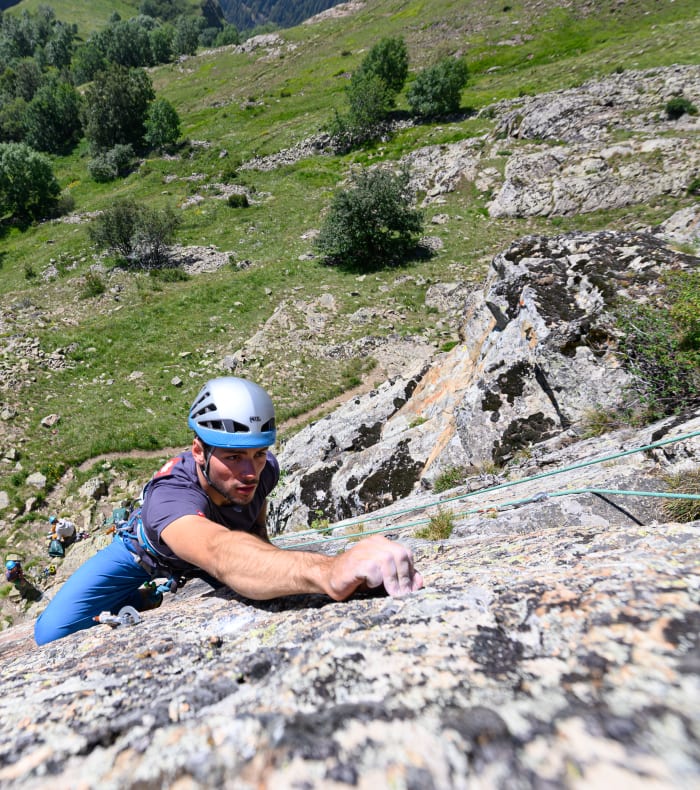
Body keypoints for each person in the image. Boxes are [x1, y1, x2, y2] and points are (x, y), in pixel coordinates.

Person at [35, 377, 423, 646]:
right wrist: (328, 571)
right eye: (234, 457)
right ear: (199, 451)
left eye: (258, 453)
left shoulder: (263, 470)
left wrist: (263, 548)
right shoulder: (170, 497)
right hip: (146, 557)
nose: (249, 471)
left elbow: (254, 515)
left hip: (204, 553)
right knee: (51, 632)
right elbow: (219, 551)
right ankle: (146, 597)